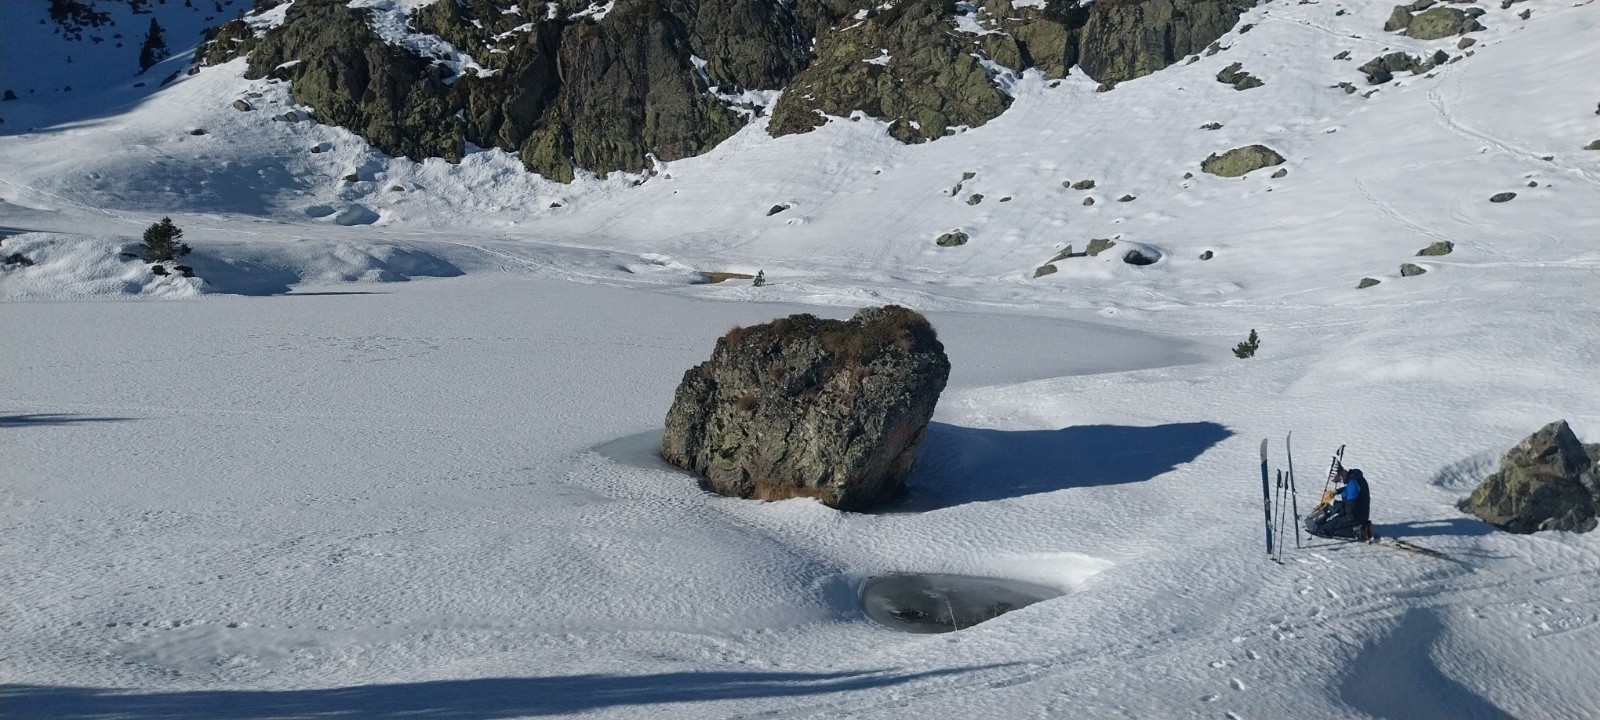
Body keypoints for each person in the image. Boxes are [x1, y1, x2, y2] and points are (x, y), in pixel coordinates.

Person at [1305, 467, 1375, 541]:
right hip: (1360, 513)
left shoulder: (1353, 485)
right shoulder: (1355, 478)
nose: (1338, 482)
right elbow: (1348, 489)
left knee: (1322, 530)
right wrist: (1336, 491)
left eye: (1336, 480)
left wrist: (1332, 502)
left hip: (1354, 517)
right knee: (1330, 523)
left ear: (1337, 475)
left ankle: (1359, 531)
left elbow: (1349, 508)